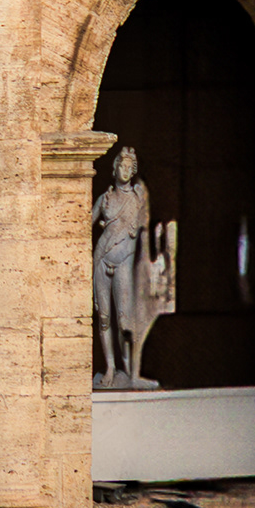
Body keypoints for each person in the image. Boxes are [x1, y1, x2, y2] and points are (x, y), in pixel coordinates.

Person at [91, 142, 168, 386]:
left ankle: (132, 373)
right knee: (104, 317)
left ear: (132, 170)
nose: (124, 170)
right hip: (102, 257)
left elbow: (146, 226)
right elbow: (82, 224)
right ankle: (111, 369)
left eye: (128, 167)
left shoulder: (137, 197)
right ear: (114, 170)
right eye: (121, 166)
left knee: (124, 320)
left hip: (123, 260)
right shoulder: (105, 198)